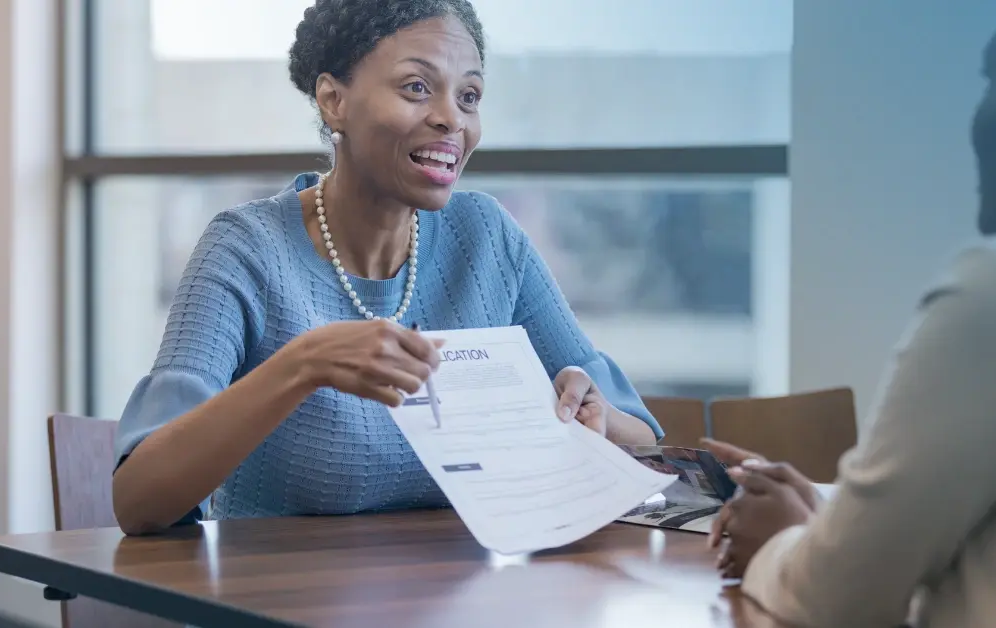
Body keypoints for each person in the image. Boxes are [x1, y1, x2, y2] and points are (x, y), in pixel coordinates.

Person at [111, 0, 661, 536]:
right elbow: (139, 500)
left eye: (469, 96)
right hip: (280, 603)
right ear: (333, 101)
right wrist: (303, 364)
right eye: (416, 87)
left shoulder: (486, 235)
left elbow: (643, 440)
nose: (451, 119)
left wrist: (596, 418)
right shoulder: (247, 249)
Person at [705, 1, 996, 626]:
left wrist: (782, 542)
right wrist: (829, 518)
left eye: (989, 83)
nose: (974, 121)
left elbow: (833, 602)